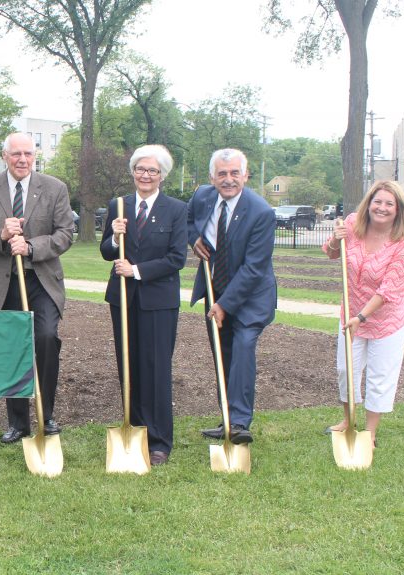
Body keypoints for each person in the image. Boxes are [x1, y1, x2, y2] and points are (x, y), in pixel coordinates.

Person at [0, 132, 75, 444]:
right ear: (4, 156)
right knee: (11, 349)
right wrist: (0, 235)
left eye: (28, 153)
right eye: (16, 154)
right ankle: (18, 422)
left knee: (45, 338)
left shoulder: (55, 189)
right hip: (4, 284)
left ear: (35, 155)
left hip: (42, 280)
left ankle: (46, 413)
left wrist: (30, 246)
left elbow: (66, 234)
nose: (23, 160)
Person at [100, 145, 187, 466]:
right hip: (123, 300)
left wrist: (135, 271)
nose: (145, 175)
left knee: (156, 368)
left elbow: (177, 258)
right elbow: (107, 252)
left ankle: (160, 440)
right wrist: (112, 236)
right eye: (140, 169)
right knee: (129, 365)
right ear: (133, 172)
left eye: (152, 170)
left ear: (162, 175)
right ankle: (135, 429)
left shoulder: (176, 209)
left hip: (158, 302)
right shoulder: (119, 205)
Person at [187, 148, 277, 445]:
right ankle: (226, 416)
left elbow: (254, 268)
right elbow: (188, 221)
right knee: (222, 354)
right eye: (222, 174)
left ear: (245, 176)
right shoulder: (202, 197)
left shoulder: (260, 212)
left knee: (242, 347)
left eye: (234, 173)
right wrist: (194, 239)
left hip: (251, 296)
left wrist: (225, 305)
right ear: (212, 177)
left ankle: (239, 422)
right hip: (216, 288)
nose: (228, 180)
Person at [323, 181, 404, 447]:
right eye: (378, 201)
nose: (382, 208)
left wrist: (361, 318)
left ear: (398, 209)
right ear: (369, 203)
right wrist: (335, 239)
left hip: (389, 318)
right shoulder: (353, 224)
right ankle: (347, 420)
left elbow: (389, 288)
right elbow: (332, 254)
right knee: (346, 369)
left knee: (379, 375)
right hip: (351, 312)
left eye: (389, 203)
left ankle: (370, 431)